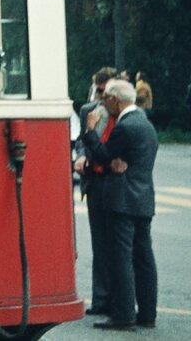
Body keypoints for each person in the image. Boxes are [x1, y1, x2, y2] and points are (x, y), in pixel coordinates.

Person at [82, 79, 159, 331]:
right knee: (144, 256)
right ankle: (147, 313)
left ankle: (123, 314)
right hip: (143, 197)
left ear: (115, 100)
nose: (104, 104)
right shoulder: (146, 124)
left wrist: (91, 131)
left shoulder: (125, 126)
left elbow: (102, 155)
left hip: (122, 200)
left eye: (107, 100)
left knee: (121, 257)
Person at [73, 68, 117, 317]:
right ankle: (101, 298)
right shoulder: (88, 111)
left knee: (117, 243)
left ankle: (118, 297)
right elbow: (81, 139)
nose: (102, 97)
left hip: (115, 180)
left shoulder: (123, 111)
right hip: (94, 180)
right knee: (100, 242)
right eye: (99, 91)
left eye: (106, 91)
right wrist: (80, 156)